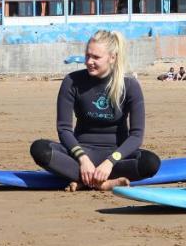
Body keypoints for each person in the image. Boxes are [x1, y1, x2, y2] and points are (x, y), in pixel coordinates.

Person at [30, 30, 159, 191]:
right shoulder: (72, 81)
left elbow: (136, 136)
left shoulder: (130, 86)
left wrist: (110, 162)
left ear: (112, 58)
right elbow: (64, 129)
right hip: (79, 153)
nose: (89, 61)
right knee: (39, 149)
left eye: (96, 57)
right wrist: (83, 159)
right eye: (87, 56)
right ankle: (102, 183)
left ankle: (85, 180)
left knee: (151, 163)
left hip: (116, 155)